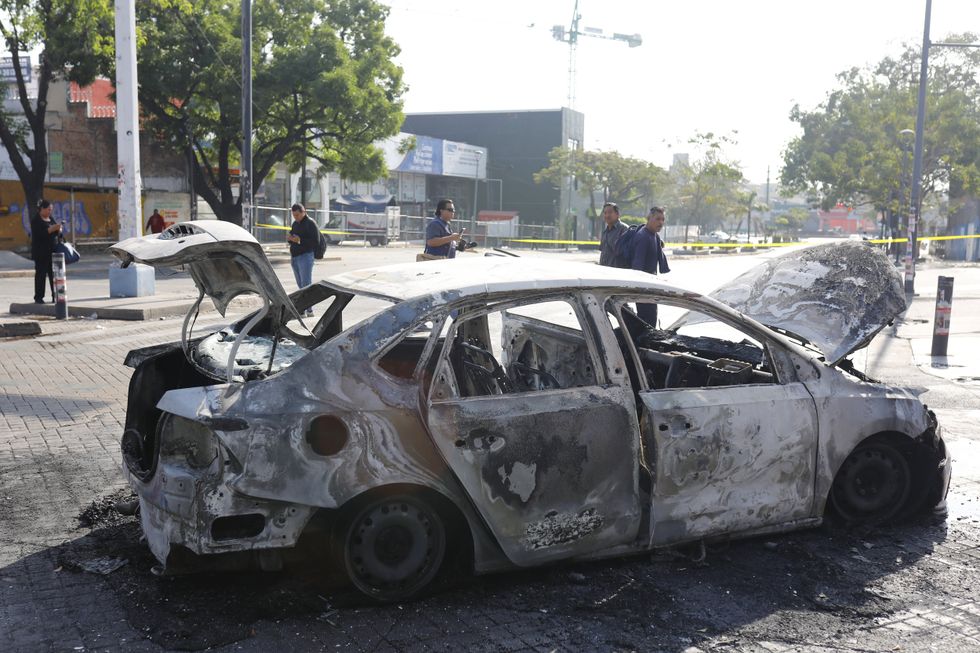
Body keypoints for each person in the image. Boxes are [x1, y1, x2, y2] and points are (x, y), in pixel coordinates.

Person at [631, 206, 670, 327]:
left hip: (650, 287)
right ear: (649, 218)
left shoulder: (654, 236)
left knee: (649, 321)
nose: (661, 222)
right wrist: (641, 290)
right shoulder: (643, 237)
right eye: (658, 219)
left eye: (663, 219)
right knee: (647, 323)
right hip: (643, 289)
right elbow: (637, 267)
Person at [286, 203, 318, 317]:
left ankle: (308, 310)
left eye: (297, 215)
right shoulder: (295, 224)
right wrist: (290, 238)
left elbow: (315, 241)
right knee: (300, 285)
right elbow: (292, 237)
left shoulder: (310, 223)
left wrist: (300, 240)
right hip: (295, 256)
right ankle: (304, 309)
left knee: (306, 284)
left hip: (305, 256)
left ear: (303, 212)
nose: (295, 217)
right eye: (294, 215)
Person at [30, 199, 62, 304]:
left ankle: (55, 296)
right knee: (41, 275)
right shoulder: (36, 220)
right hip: (41, 253)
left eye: (51, 209)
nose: (50, 211)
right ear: (42, 209)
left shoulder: (51, 218)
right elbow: (39, 235)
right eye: (48, 209)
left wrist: (58, 229)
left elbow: (55, 233)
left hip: (52, 252)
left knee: (54, 275)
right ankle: (39, 297)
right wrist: (51, 229)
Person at [598, 202, 628, 266]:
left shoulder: (624, 229)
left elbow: (626, 253)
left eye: (610, 212)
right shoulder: (605, 232)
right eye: (605, 213)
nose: (607, 215)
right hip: (604, 269)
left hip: (617, 270)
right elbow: (603, 252)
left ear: (617, 214)